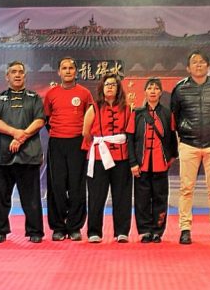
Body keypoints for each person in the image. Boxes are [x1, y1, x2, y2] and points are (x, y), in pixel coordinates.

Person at [170, 50, 210, 245]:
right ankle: (185, 229)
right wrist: (183, 133)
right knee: (186, 189)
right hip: (189, 144)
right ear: (188, 68)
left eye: (202, 62)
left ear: (208, 66)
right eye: (194, 62)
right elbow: (175, 116)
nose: (198, 65)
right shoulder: (180, 89)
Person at [0, 61, 45, 244]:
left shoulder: (34, 98)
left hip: (29, 154)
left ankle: (35, 231)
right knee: (0, 198)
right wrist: (15, 133)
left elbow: (40, 121)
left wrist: (21, 137)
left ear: (25, 76)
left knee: (31, 197)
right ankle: (0, 231)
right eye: (13, 72)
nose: (18, 75)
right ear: (7, 76)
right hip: (3, 155)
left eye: (21, 72)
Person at [43, 57, 93, 242]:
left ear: (76, 71)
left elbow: (90, 118)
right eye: (64, 68)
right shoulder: (51, 94)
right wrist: (59, 132)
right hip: (57, 143)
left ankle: (74, 227)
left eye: (71, 68)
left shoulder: (85, 93)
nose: (68, 71)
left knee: (76, 186)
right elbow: (46, 119)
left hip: (77, 144)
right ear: (59, 72)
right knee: (56, 186)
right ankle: (58, 227)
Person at [126, 78, 178, 243]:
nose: (153, 91)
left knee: (160, 198)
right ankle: (144, 231)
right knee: (141, 199)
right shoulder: (137, 114)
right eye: (150, 88)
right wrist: (133, 163)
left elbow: (172, 139)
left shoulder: (167, 113)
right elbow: (130, 139)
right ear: (145, 92)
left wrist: (171, 157)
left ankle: (157, 230)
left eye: (156, 88)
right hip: (141, 164)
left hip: (160, 164)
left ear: (160, 92)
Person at [83, 73, 132, 243]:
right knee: (96, 196)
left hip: (122, 157)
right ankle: (94, 232)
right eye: (107, 84)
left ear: (118, 89)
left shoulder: (127, 109)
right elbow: (86, 132)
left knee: (122, 195)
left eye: (113, 84)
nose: (110, 87)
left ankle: (122, 231)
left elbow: (130, 132)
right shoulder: (94, 108)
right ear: (101, 88)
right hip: (99, 157)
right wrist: (100, 142)